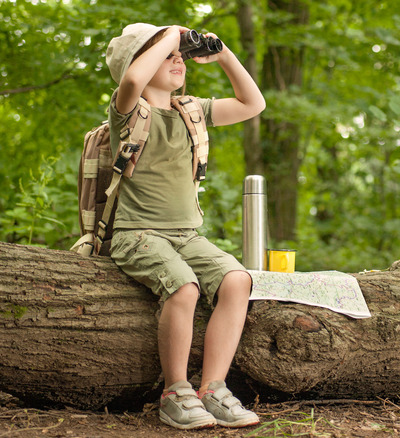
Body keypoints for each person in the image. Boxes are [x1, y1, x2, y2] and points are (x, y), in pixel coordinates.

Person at [104, 23, 265, 430]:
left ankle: (213, 388)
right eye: (167, 54)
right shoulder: (127, 111)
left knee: (236, 280)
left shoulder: (191, 111)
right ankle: (176, 391)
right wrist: (171, 36)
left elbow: (252, 104)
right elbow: (135, 78)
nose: (178, 59)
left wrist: (223, 54)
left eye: (180, 55)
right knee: (184, 285)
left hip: (186, 235)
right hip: (136, 234)